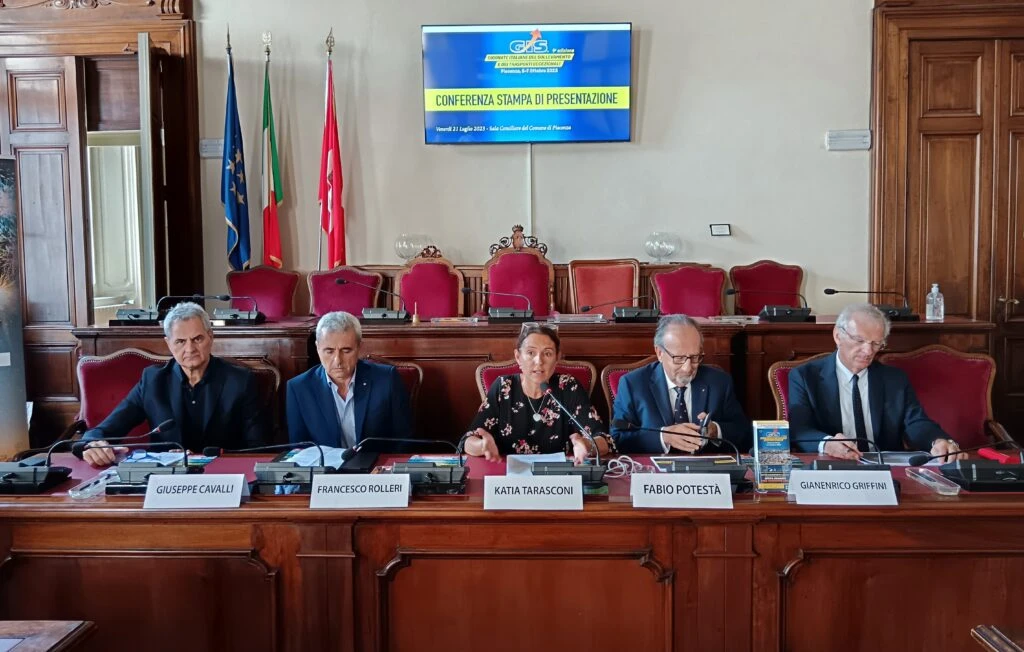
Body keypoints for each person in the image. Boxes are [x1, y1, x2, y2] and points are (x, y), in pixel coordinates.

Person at [80, 302, 268, 466]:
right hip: (164, 481)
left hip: (221, 477)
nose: (190, 349)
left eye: (197, 339)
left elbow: (258, 448)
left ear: (210, 336)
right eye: (180, 341)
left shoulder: (240, 381)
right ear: (168, 343)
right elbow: (104, 430)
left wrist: (200, 458)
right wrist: (92, 445)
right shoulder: (153, 381)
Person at [788, 302, 968, 461]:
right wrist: (827, 444)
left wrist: (937, 440)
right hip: (832, 467)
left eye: (876, 344)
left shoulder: (894, 379)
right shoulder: (805, 377)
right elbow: (800, 430)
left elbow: (916, 423)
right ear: (837, 335)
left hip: (886, 469)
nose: (868, 351)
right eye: (860, 340)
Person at [463, 323, 613, 463]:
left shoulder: (568, 386)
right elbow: (468, 441)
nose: (539, 361)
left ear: (557, 358)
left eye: (547, 354)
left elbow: (604, 441)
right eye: (530, 353)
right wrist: (482, 446)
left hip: (558, 476)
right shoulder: (503, 387)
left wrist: (586, 445)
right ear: (518, 357)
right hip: (509, 476)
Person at [611, 314, 751, 454]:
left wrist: (715, 430)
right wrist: (664, 437)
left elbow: (744, 433)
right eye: (679, 358)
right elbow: (618, 438)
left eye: (695, 357)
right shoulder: (632, 384)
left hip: (704, 464)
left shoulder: (719, 382)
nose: (687, 368)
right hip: (653, 466)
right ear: (659, 353)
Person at [286, 311, 412, 447]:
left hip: (376, 460)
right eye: (329, 351)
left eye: (346, 351)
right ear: (317, 348)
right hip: (324, 461)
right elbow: (299, 449)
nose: (338, 360)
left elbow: (404, 441)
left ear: (359, 347)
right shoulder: (299, 388)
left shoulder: (387, 380)